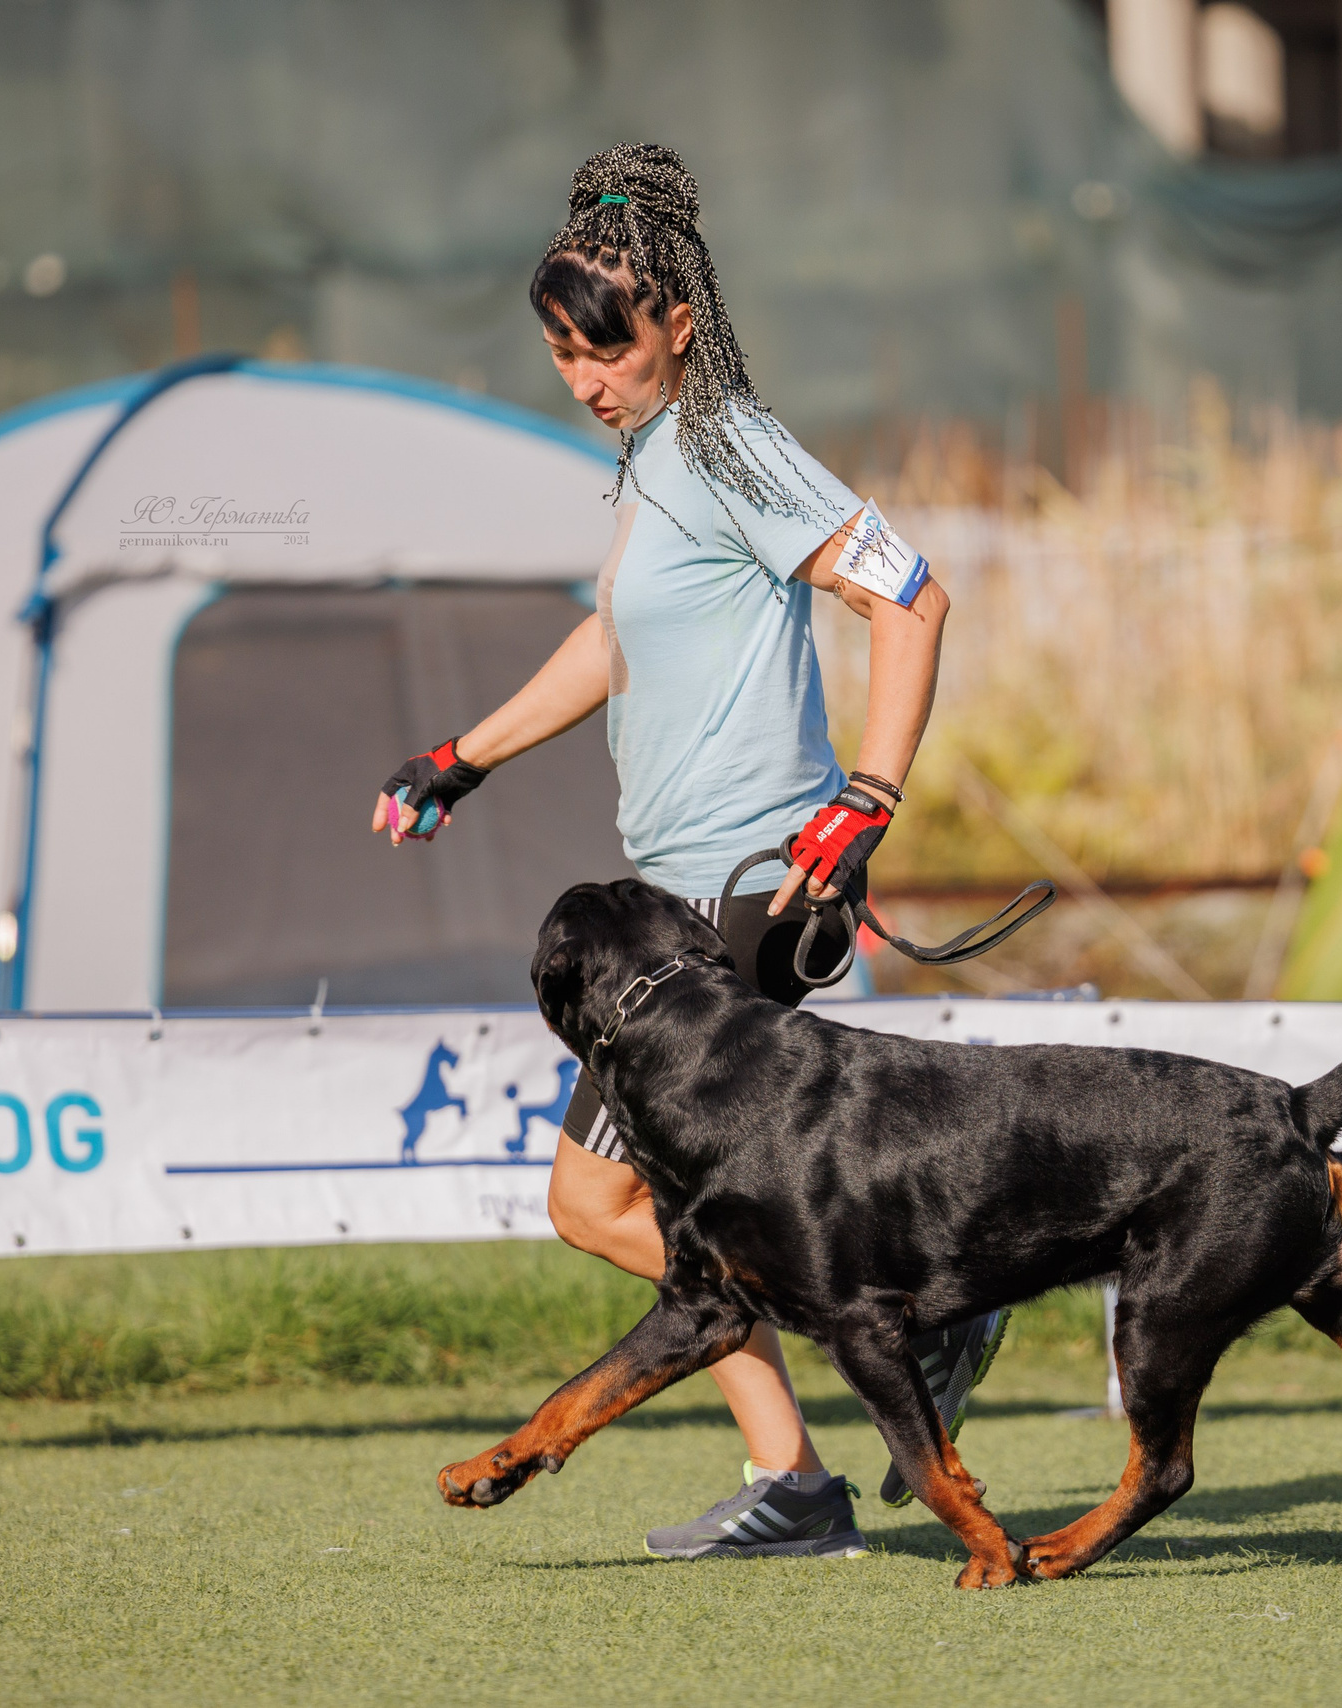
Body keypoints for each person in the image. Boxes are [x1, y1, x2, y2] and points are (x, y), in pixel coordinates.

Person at [372, 143, 1007, 1561]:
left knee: (604, 1199)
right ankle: (819, 1447)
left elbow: (911, 597)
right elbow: (617, 641)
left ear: (675, 322)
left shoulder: (728, 445)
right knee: (649, 1206)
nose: (584, 378)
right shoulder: (654, 464)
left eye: (605, 347)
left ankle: (907, 1330)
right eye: (559, 353)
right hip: (677, 900)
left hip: (744, 896)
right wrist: (461, 759)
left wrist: (870, 795)